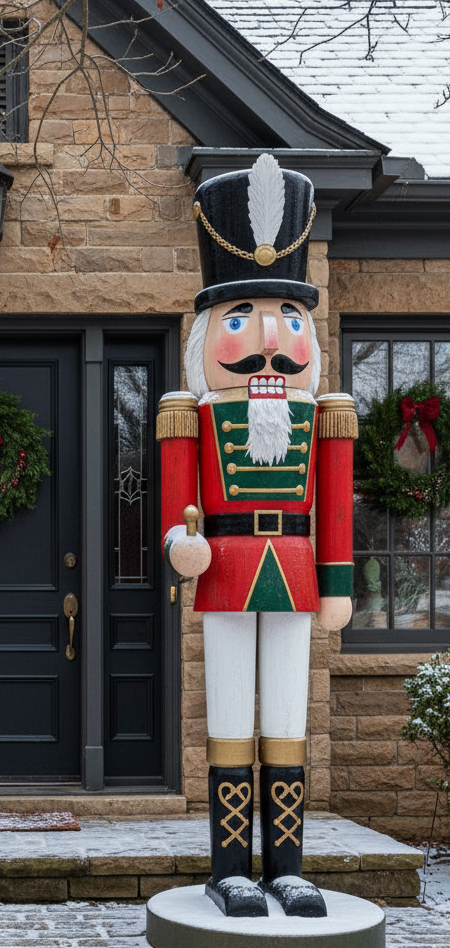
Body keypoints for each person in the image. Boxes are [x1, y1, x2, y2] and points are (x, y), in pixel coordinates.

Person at [157, 153, 357, 918]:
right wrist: (185, 548)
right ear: (209, 331)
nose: (268, 340)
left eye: (288, 319)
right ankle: (230, 864)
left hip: (298, 567)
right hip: (227, 567)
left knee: (287, 717)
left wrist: (337, 581)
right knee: (232, 717)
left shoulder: (325, 414)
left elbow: (334, 506)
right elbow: (180, 506)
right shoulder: (192, 413)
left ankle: (290, 864)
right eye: (241, 319)